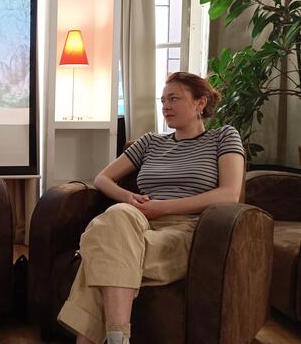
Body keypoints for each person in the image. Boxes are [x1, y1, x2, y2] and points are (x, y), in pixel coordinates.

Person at [57, 72, 245, 344]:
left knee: (104, 247)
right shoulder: (150, 142)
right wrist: (129, 198)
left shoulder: (223, 137)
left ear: (200, 103)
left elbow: (230, 193)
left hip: (185, 227)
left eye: (174, 99)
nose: (166, 106)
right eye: (163, 100)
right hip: (137, 220)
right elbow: (102, 178)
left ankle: (113, 338)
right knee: (117, 214)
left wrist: (164, 208)